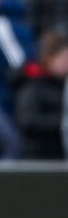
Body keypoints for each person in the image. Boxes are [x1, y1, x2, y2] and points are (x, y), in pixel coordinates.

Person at [16, 30, 68, 159]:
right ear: (49, 58)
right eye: (63, 58)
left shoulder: (62, 85)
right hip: (39, 159)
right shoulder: (32, 85)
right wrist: (62, 123)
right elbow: (29, 122)